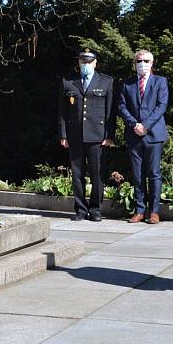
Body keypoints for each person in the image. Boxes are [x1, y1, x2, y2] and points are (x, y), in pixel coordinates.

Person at [57, 48, 116, 222]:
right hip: (75, 135)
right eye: (83, 61)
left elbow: (110, 112)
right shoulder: (68, 82)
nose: (86, 65)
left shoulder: (106, 82)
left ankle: (96, 210)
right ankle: (81, 209)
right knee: (77, 174)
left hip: (97, 135)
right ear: (79, 62)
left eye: (89, 62)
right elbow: (62, 112)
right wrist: (63, 134)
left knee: (97, 174)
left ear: (95, 63)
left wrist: (109, 135)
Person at [118, 49, 168, 224]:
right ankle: (140, 210)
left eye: (146, 61)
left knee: (154, 173)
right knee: (138, 175)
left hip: (154, 135)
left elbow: (161, 106)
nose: (143, 64)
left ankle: (154, 212)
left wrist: (145, 126)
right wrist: (134, 124)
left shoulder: (160, 82)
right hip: (134, 135)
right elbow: (122, 107)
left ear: (152, 63)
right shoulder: (127, 84)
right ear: (134, 64)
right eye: (139, 61)